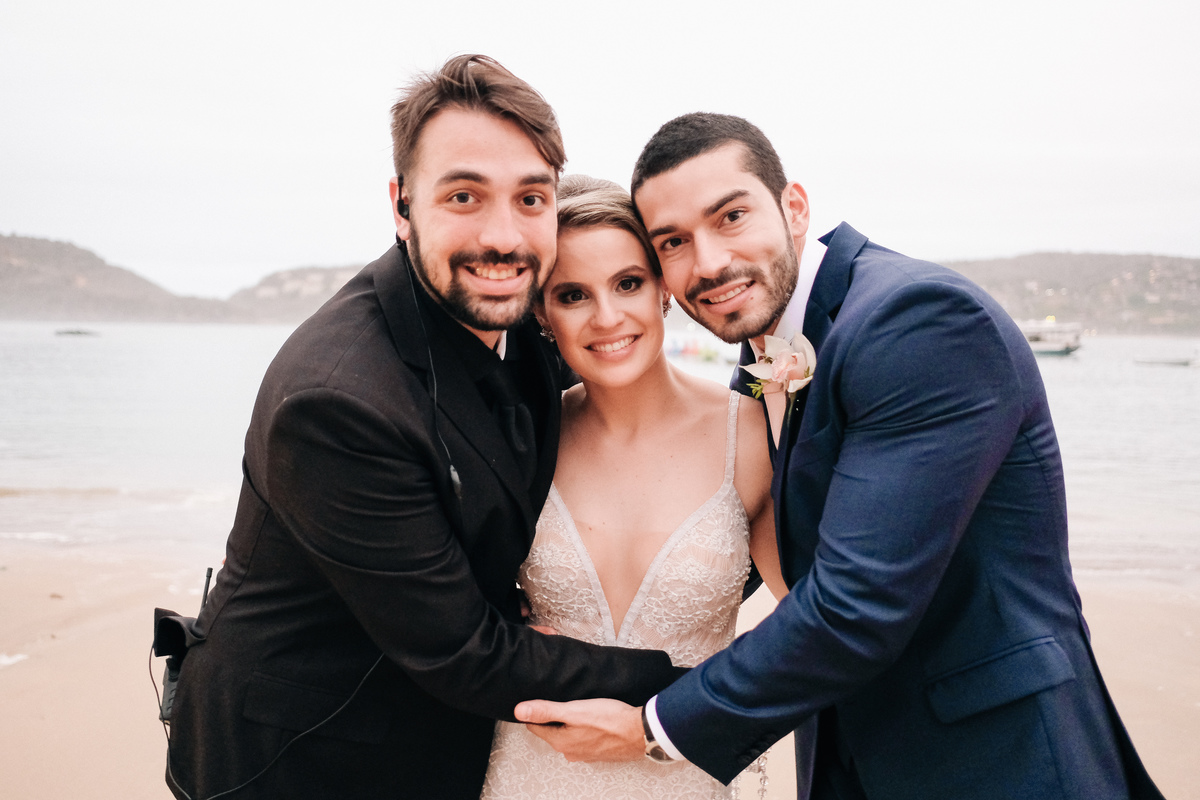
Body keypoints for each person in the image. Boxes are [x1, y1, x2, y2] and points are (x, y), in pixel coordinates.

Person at [515, 113, 1166, 800]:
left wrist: (654, 726)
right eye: (674, 241)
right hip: (852, 754)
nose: (707, 262)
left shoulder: (917, 320)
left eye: (731, 217)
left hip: (991, 760)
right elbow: (726, 550)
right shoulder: (764, 352)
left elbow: (854, 603)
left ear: (794, 207)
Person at [158, 56, 684, 800]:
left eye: (530, 198)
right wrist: (705, 681)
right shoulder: (337, 401)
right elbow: (467, 653)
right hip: (302, 757)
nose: (503, 236)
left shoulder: (512, 317)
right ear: (402, 206)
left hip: (443, 735)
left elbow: (626, 381)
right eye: (464, 196)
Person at [478, 175, 788, 799]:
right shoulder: (522, 440)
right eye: (572, 294)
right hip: (527, 776)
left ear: (664, 291)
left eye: (628, 283)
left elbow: (815, 621)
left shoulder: (751, 435)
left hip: (682, 774)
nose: (608, 317)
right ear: (539, 312)